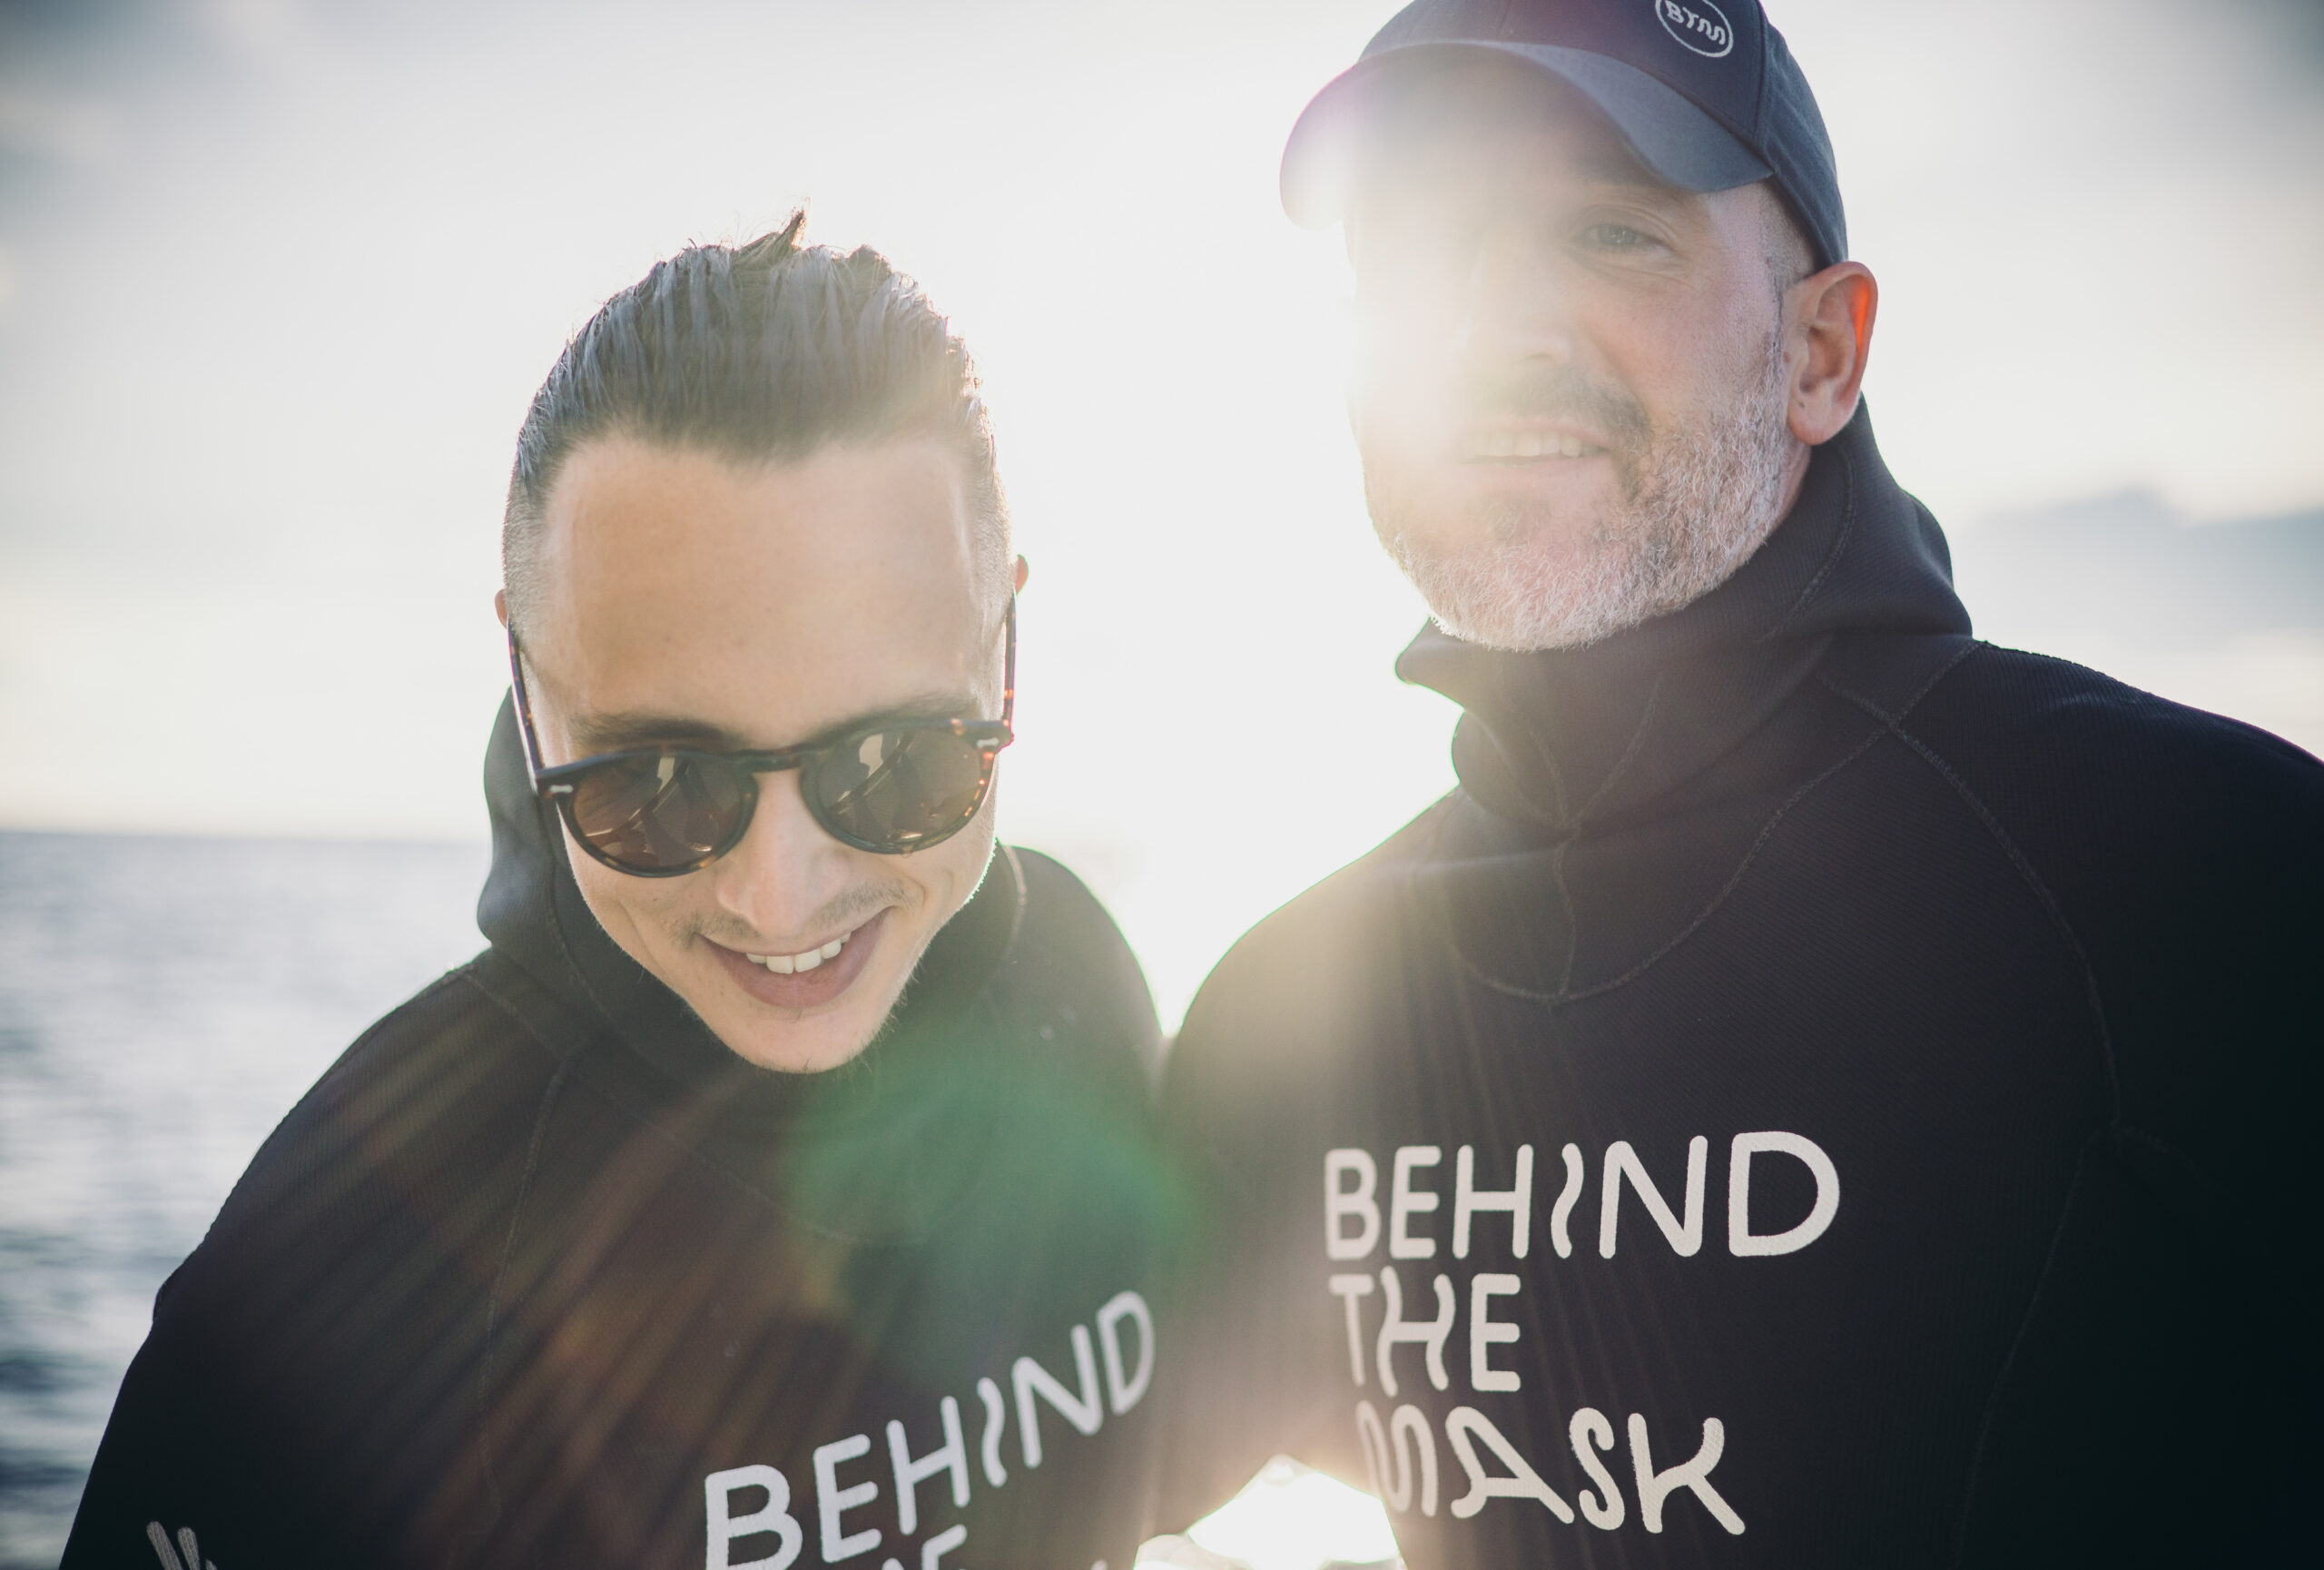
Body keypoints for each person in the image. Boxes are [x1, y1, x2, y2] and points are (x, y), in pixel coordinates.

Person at [1153, 2, 2322, 1564]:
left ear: (1821, 352)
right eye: (1419, 251)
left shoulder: (2199, 883)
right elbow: (1015, 1459)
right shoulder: (1284, 1015)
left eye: (1613, 234)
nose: (1494, 330)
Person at [65, 218, 1171, 1570]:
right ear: (528, 686)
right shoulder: (346, 1276)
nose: (780, 898)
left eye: (896, 762)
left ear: (1001, 642)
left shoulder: (1080, 981)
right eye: (662, 784)